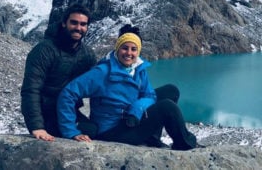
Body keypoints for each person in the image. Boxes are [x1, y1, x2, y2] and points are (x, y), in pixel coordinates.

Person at [57, 24, 197, 150]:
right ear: (117, 49)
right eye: (125, 48)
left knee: (170, 91)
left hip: (131, 119)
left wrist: (136, 109)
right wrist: (71, 131)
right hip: (112, 130)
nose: (129, 53)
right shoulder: (102, 73)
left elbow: (149, 95)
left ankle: (152, 139)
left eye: (133, 49)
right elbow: (68, 93)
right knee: (167, 107)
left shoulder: (138, 68)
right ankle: (185, 144)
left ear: (138, 51)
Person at [21, 3, 97, 142]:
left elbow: (98, 85)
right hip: (46, 113)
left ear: (87, 27)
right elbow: (31, 89)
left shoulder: (87, 54)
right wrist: (37, 126)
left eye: (83, 24)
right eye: (74, 22)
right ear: (64, 23)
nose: (78, 28)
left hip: (68, 111)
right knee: (77, 133)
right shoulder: (44, 50)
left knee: (92, 129)